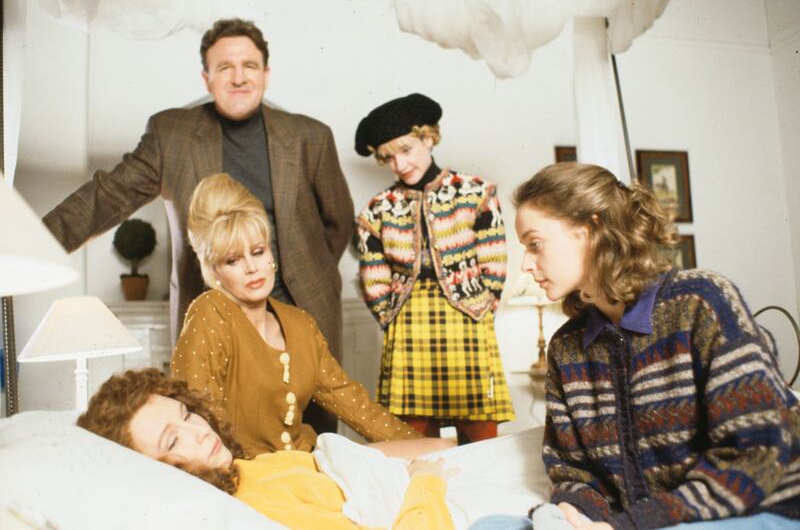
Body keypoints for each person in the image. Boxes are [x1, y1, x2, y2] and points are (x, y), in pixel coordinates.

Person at [472, 162, 800, 529]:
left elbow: (755, 452)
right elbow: (573, 472)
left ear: (591, 228)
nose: (527, 266)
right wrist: (573, 514)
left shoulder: (701, 302)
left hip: (756, 508)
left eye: (535, 244)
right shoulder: (566, 348)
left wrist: (625, 525)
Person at [41, 17, 352, 362]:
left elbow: (337, 222)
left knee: (312, 415)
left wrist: (304, 270)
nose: (238, 77)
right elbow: (109, 194)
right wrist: (36, 243)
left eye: (249, 65)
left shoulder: (311, 137)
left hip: (302, 313)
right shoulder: (172, 134)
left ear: (266, 74)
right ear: (207, 78)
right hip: (213, 318)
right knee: (211, 416)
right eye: (224, 68)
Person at [172, 173, 423, 456]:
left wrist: (422, 447)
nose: (253, 268)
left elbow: (357, 407)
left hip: (311, 464)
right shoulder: (211, 312)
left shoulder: (299, 322)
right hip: (253, 479)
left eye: (258, 251)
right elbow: (199, 416)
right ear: (214, 270)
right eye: (233, 260)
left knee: (435, 460)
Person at [77, 368, 456, 530]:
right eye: (173, 440)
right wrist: (426, 481)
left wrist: (433, 451)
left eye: (187, 414)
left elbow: (335, 459)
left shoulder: (245, 471)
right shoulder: (251, 513)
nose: (198, 430)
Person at [353, 93, 514, 444]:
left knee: (480, 434)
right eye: (388, 157)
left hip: (467, 317)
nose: (399, 164)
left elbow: (494, 259)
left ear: (428, 138)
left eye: (406, 149)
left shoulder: (475, 193)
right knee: (411, 437)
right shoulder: (377, 210)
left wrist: (482, 307)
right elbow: (373, 273)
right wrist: (389, 316)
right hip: (407, 322)